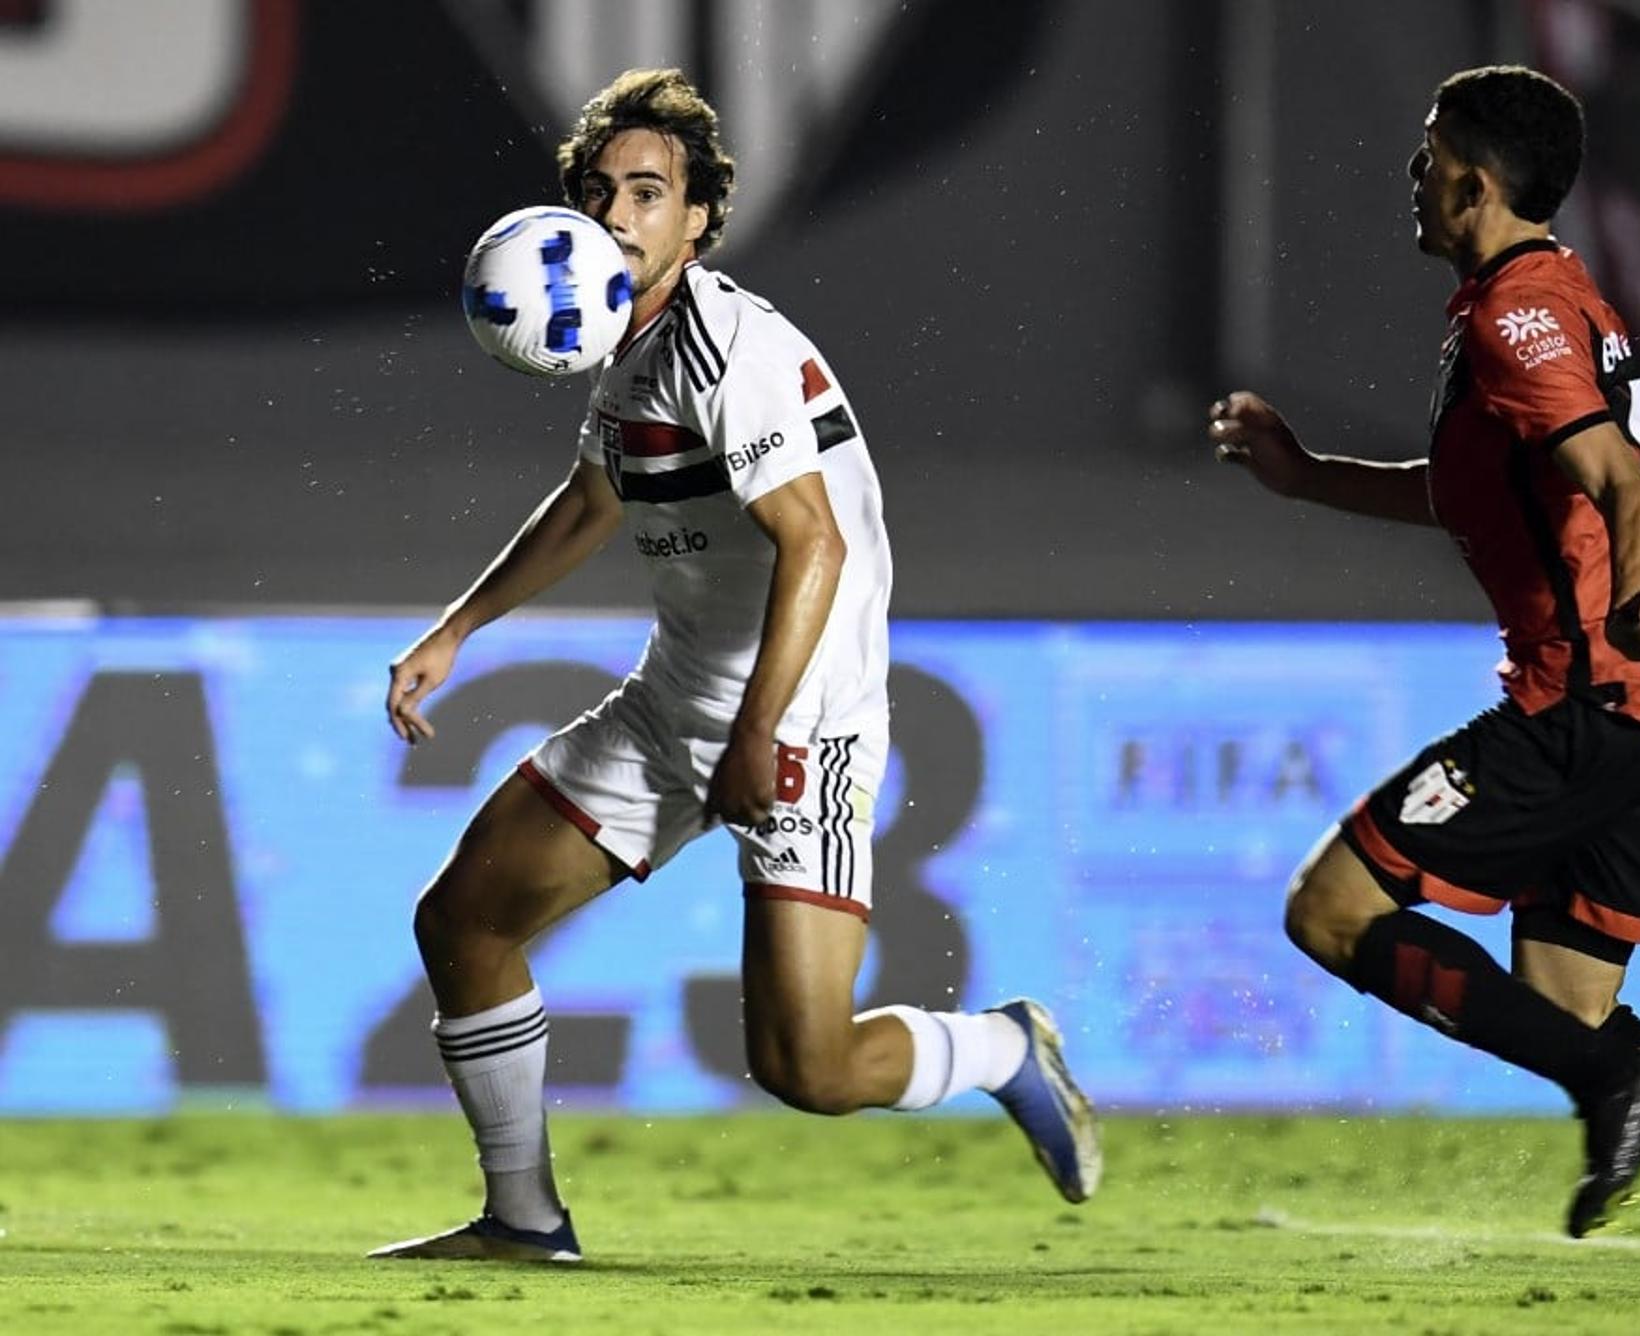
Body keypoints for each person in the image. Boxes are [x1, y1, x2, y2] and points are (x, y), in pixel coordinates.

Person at [369, 67, 1100, 1263]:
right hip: (675, 703)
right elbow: (591, 499)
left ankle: (1005, 1047)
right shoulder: (618, 338)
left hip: (800, 718)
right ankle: (524, 1218)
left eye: (648, 193)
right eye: (601, 191)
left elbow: (816, 542)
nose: (618, 215)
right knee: (463, 922)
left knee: (806, 1067)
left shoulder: (727, 349)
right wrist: (459, 627)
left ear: (701, 216)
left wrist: (762, 732)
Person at [1208, 64, 1640, 1292]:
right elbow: (1485, 491)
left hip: (1593, 700)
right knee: (1567, 1008)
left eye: (1425, 156)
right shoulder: (1541, 302)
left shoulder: (1517, 320)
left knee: (1329, 911)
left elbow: (1618, 482)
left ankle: (1618, 1086)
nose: (1412, 177)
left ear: (1469, 179)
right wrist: (1305, 477)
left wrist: (1633, 595)